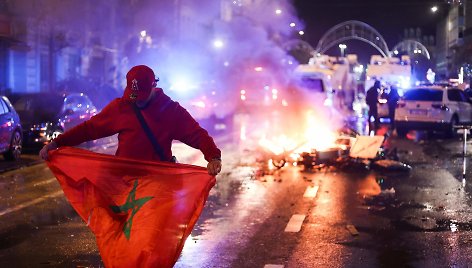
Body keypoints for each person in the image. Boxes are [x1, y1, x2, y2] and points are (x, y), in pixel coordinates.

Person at [39, 65, 222, 176]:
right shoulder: (121, 107)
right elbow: (89, 129)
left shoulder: (170, 110)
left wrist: (213, 156)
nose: (138, 100)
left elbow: (196, 134)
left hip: (159, 182)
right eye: (134, 96)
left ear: (154, 86)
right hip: (124, 181)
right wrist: (56, 143)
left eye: (142, 96)